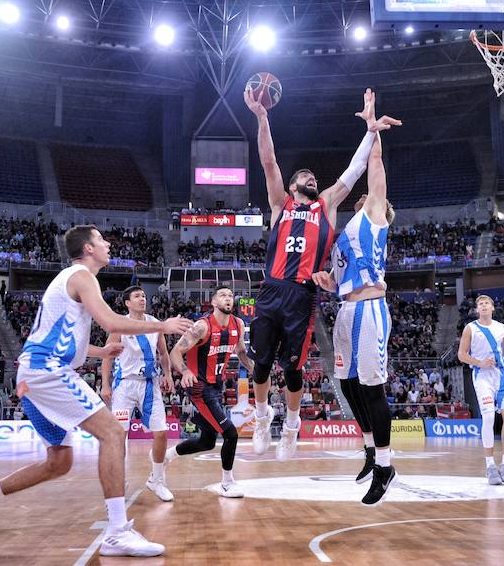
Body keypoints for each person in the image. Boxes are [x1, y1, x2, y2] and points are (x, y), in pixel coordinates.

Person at [0, 225, 192, 557]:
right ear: (88, 248)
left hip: (35, 372)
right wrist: (162, 325)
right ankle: (117, 532)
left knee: (58, 461)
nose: (107, 245)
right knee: (113, 434)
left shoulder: (70, 281)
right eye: (102, 240)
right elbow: (112, 322)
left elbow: (63, 335)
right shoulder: (81, 276)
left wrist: (101, 353)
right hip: (48, 371)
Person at [244, 85, 400, 462]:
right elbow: (268, 161)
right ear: (294, 186)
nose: (312, 179)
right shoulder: (280, 203)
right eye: (306, 177)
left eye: (314, 177)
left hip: (301, 295)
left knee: (293, 371)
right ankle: (263, 417)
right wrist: (262, 118)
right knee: (262, 364)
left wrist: (369, 131)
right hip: (272, 289)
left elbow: (356, 169)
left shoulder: (326, 205)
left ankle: (293, 426)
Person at [311, 115, 400, 505]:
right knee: (347, 384)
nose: (361, 197)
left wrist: (373, 130)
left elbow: (375, 168)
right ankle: (368, 449)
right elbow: (337, 279)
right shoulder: (345, 236)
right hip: (346, 310)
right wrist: (327, 281)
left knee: (371, 387)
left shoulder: (375, 216)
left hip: (369, 309)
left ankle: (385, 464)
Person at [163, 285, 253, 497]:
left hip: (216, 386)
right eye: (223, 295)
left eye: (231, 295)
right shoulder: (202, 327)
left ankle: (167, 456)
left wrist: (254, 369)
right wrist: (184, 371)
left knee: (207, 441)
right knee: (230, 433)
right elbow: (175, 352)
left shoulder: (238, 324)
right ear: (213, 302)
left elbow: (240, 352)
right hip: (199, 387)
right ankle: (227, 483)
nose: (228, 299)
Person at [100, 285, 175, 502]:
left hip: (150, 384)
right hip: (125, 386)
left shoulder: (155, 325)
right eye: (137, 296)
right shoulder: (119, 326)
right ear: (127, 303)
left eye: (143, 295)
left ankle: (157, 480)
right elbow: (108, 357)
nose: (142, 299)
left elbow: (163, 353)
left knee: (161, 432)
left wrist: (168, 374)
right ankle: (118, 481)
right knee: (119, 436)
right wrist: (105, 384)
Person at [457, 295, 504, 485]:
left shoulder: (501, 327)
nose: (483, 305)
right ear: (477, 310)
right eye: (480, 304)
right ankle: (490, 465)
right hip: (482, 377)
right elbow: (461, 355)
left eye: (486, 303)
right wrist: (479, 363)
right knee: (489, 417)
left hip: (502, 376)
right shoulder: (471, 328)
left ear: (493, 307)